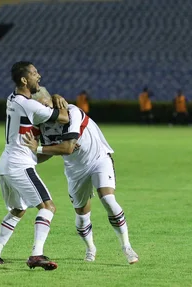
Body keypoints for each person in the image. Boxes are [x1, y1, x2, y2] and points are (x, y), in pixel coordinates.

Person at [23, 87, 139, 265]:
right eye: (38, 108)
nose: (42, 111)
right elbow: (50, 152)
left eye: (45, 105)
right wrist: (27, 161)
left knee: (108, 199)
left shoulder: (72, 112)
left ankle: (127, 247)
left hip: (98, 159)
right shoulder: (40, 124)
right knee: (82, 215)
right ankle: (90, 248)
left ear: (52, 102)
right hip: (75, 169)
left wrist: (36, 148)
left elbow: (67, 148)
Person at [0, 61, 69, 271]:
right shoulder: (29, 105)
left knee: (18, 209)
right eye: (34, 73)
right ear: (24, 79)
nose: (38, 76)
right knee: (48, 207)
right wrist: (58, 98)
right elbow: (64, 117)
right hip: (20, 165)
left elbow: (38, 100)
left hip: (5, 163)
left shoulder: (13, 98)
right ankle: (36, 255)